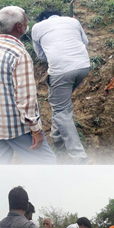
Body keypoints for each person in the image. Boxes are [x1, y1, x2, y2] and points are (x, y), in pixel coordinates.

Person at [0, 6, 57, 165]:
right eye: (25, 19)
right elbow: (25, 97)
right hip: (16, 127)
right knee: (47, 163)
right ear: (19, 27)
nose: (28, 22)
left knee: (0, 169)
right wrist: (35, 129)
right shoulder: (19, 54)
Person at [31, 9, 91, 164]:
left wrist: (54, 56)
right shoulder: (73, 21)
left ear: (43, 18)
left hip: (61, 70)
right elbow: (85, 43)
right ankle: (57, 140)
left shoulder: (37, 27)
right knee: (61, 106)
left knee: (61, 110)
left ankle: (79, 158)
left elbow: (40, 56)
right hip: (84, 66)